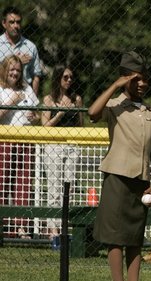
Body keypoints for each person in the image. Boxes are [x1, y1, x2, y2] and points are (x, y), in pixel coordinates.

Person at [88, 50, 151, 281]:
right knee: (115, 238)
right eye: (135, 79)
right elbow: (93, 112)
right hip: (117, 178)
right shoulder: (115, 106)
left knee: (135, 238)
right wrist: (116, 85)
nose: (142, 84)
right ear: (124, 79)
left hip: (141, 181)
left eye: (145, 79)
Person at [41, 66, 83, 238]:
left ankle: (65, 228)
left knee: (69, 188)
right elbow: (44, 127)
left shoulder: (77, 99)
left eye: (71, 77)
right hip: (54, 146)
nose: (69, 80)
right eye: (65, 77)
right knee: (54, 189)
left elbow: (81, 126)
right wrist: (60, 113)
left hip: (72, 146)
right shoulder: (49, 100)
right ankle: (53, 231)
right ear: (58, 78)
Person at [0, 54, 39, 238]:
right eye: (12, 69)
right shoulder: (1, 89)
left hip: (26, 139)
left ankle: (21, 226)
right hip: (5, 140)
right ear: (5, 70)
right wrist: (12, 102)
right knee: (3, 181)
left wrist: (34, 116)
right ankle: (3, 224)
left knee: (23, 183)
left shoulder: (27, 88)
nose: (15, 73)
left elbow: (37, 113)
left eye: (18, 70)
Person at [0, 6, 42, 94]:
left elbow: (36, 76)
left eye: (18, 22)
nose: (15, 26)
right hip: (1, 93)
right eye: (11, 22)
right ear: (4, 23)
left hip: (24, 94)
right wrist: (17, 63)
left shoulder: (31, 46)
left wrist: (32, 101)